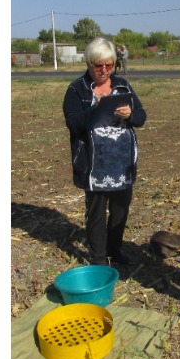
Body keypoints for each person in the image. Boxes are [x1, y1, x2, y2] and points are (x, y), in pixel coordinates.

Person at [62, 38, 147, 270]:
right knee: (96, 211)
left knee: (120, 209)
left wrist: (130, 114)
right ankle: (99, 259)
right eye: (98, 65)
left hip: (121, 161)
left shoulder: (123, 86)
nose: (104, 70)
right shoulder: (76, 89)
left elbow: (141, 117)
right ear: (89, 63)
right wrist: (95, 110)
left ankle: (114, 250)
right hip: (93, 162)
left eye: (109, 65)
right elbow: (73, 123)